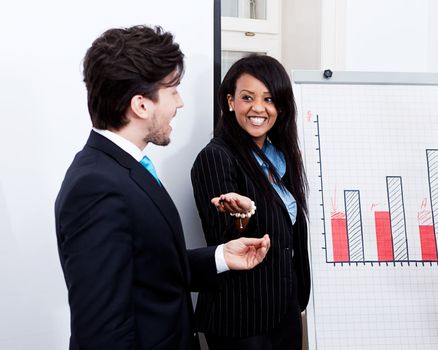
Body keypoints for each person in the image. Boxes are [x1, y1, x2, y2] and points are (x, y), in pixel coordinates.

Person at [54, 25, 270, 350]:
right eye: (172, 90)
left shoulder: (121, 169)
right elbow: (102, 332)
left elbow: (149, 270)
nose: (180, 103)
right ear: (141, 105)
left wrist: (221, 257)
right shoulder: (96, 187)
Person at [191, 54, 311, 350]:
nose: (259, 108)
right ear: (230, 102)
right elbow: (222, 240)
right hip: (241, 319)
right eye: (248, 97)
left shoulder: (282, 159)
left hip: (284, 311)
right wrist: (242, 215)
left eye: (269, 99)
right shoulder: (216, 157)